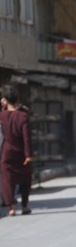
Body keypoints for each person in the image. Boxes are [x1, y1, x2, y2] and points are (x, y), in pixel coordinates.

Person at [0, 85, 34, 216]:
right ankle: (25, 206)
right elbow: (26, 137)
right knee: (26, 179)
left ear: (5, 100)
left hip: (6, 152)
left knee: (7, 180)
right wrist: (28, 155)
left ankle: (11, 207)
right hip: (21, 153)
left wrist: (3, 107)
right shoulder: (23, 116)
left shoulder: (2, 116)